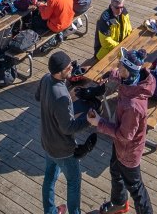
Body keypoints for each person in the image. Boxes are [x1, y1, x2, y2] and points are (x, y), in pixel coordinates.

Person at [87, 48, 155, 214]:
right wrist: (110, 75)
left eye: (121, 65)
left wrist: (99, 122)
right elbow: (121, 76)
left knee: (136, 189)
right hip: (120, 147)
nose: (118, 65)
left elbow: (125, 136)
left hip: (128, 152)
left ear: (128, 71)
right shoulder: (134, 81)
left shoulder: (133, 106)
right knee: (115, 170)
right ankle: (119, 203)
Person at [39, 50, 91, 214]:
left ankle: (50, 211)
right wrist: (88, 120)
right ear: (59, 71)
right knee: (74, 181)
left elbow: (37, 96)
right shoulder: (61, 96)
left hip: (47, 141)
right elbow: (68, 127)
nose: (71, 69)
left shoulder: (46, 79)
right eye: (69, 68)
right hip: (63, 149)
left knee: (49, 178)